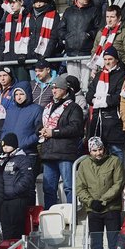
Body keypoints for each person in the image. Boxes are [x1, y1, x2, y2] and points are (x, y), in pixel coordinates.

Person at [78, 137, 125, 249]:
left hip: (111, 208)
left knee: (114, 242)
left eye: (100, 149)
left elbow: (118, 183)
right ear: (89, 151)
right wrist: (91, 202)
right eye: (94, 150)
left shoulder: (114, 161)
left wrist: (103, 200)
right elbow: (80, 188)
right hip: (93, 209)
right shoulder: (84, 165)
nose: (98, 153)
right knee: (96, 243)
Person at [40, 75, 85, 208]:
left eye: (57, 88)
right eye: (53, 88)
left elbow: (76, 128)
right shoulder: (48, 107)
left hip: (65, 153)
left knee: (69, 187)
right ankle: (50, 216)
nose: (54, 91)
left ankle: (72, 217)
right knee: (48, 189)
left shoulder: (74, 107)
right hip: (48, 153)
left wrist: (53, 132)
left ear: (65, 89)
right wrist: (41, 130)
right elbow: (39, 124)